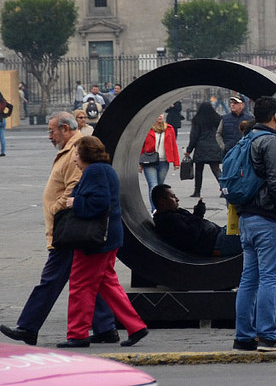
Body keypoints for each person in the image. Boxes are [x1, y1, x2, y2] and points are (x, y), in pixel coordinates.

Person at [0, 112, 119, 347]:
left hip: (69, 229)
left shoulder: (78, 150)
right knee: (89, 280)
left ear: (65, 129)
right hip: (68, 228)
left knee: (51, 279)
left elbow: (75, 187)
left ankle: (28, 326)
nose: (49, 136)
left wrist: (57, 210)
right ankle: (106, 328)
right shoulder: (69, 149)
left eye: (52, 130)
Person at [61, 136, 148, 348]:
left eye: (76, 153)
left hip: (96, 240)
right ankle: (135, 326)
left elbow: (99, 203)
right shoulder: (104, 169)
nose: (73, 158)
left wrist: (75, 202)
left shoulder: (94, 171)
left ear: (85, 154)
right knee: (107, 284)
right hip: (110, 237)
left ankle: (77, 333)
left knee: (80, 284)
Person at [234, 96, 276, 352]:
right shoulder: (270, 141)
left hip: (247, 218)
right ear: (275, 116)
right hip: (268, 219)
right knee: (270, 278)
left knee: (248, 279)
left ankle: (243, 336)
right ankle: (268, 335)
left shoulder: (247, 138)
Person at [152, 185, 276, 257]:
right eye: (172, 197)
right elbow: (190, 237)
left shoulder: (172, 213)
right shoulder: (167, 221)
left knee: (264, 223)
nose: (177, 199)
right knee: (266, 228)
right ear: (161, 202)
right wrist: (198, 214)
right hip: (218, 244)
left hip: (221, 235)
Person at [139, 113, 180, 211]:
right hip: (149, 162)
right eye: (157, 114)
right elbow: (141, 146)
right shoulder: (147, 128)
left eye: (161, 114)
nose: (160, 116)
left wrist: (176, 162)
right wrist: (139, 162)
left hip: (164, 162)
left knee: (161, 188)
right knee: (153, 186)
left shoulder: (169, 128)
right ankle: (155, 209)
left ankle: (161, 208)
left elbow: (173, 145)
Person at [186, 102, 224, 200]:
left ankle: (197, 191)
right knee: (216, 169)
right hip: (215, 146)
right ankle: (224, 189)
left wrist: (189, 150)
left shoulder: (197, 120)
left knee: (199, 170)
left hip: (201, 147)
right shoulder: (218, 118)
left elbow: (194, 136)